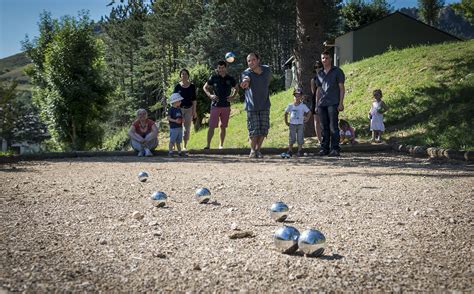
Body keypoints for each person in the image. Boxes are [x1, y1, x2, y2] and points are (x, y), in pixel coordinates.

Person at [240, 53, 272, 158]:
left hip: (265, 105)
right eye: (249, 61)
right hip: (251, 106)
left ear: (258, 60)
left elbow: (266, 78)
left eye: (253, 60)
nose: (251, 62)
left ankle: (258, 150)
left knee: (263, 130)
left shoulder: (266, 69)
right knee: (254, 130)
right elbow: (246, 78)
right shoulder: (246, 72)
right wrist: (246, 82)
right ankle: (252, 150)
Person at [314, 51, 346, 157]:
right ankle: (324, 148)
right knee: (324, 127)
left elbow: (341, 88)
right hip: (322, 104)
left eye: (326, 58)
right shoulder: (319, 73)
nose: (324, 60)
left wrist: (341, 103)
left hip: (333, 103)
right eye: (323, 58)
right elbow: (318, 90)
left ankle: (335, 149)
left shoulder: (337, 71)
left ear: (330, 59)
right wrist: (316, 105)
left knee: (333, 127)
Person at [203, 60, 239, 149]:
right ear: (217, 68)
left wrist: (233, 96)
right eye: (219, 68)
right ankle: (208, 146)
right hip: (215, 105)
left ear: (226, 68)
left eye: (223, 68)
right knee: (211, 126)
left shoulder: (230, 79)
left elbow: (237, 88)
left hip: (226, 105)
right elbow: (205, 87)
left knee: (223, 126)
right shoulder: (214, 77)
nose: (221, 69)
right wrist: (210, 95)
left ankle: (221, 146)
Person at [173, 68, 197, 151]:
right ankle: (176, 145)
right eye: (182, 74)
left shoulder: (192, 86)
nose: (184, 75)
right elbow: (174, 99)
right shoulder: (177, 86)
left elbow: (194, 100)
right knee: (177, 127)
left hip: (189, 109)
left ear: (188, 76)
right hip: (179, 109)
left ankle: (184, 146)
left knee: (187, 129)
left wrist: (194, 111)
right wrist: (174, 110)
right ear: (180, 76)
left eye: (185, 74)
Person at [284, 87, 311, 156]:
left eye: (299, 96)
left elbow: (309, 112)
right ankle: (290, 150)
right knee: (292, 137)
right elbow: (286, 113)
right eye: (295, 96)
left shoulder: (303, 106)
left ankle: (300, 150)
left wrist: (307, 118)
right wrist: (286, 121)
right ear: (293, 97)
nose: (297, 98)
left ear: (301, 97)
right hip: (292, 124)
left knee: (300, 137)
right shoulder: (290, 106)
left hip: (300, 124)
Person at [167, 93, 187, 157]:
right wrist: (175, 121)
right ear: (175, 101)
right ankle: (170, 152)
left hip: (179, 127)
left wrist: (183, 119)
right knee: (172, 141)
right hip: (174, 128)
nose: (180, 102)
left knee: (178, 141)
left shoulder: (179, 109)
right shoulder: (171, 109)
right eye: (179, 101)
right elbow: (168, 118)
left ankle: (179, 152)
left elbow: (181, 116)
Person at [310, 60, 323, 143]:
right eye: (316, 67)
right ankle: (319, 139)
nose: (317, 68)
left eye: (319, 66)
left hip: (326, 100)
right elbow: (313, 91)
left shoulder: (326, 77)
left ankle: (326, 137)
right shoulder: (313, 80)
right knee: (317, 120)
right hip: (316, 100)